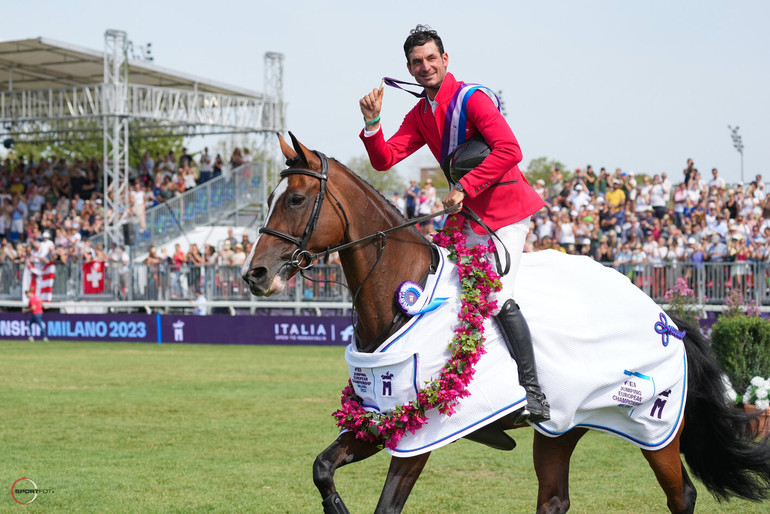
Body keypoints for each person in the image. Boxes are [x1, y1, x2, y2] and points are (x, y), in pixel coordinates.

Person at [358, 24, 548, 422]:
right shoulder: (421, 112)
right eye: (416, 62)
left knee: (494, 297)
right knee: (435, 281)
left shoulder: (473, 99)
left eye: (431, 59)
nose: (424, 66)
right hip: (468, 216)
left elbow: (510, 149)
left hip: (505, 213)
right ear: (408, 69)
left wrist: (464, 185)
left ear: (445, 60)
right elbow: (385, 158)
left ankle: (534, 394)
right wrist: (373, 123)